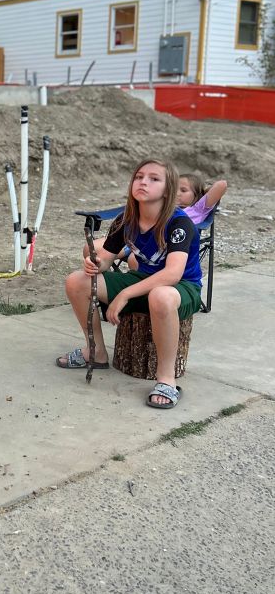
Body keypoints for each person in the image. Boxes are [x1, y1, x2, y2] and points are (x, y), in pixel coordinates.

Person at [58, 158, 203, 410]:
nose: (143, 182)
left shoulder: (179, 223)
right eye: (139, 177)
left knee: (161, 295)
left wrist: (124, 294)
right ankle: (96, 352)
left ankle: (166, 380)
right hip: (143, 280)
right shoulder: (127, 219)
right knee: (77, 281)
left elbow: (172, 275)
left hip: (182, 287)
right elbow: (107, 258)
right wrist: (95, 263)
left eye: (154, 179)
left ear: (168, 190)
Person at [82, 170, 227, 268]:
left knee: (134, 260)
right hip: (134, 242)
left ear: (196, 196)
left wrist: (203, 193)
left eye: (183, 190)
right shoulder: (161, 205)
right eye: (174, 188)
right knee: (90, 248)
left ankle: (136, 297)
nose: (176, 193)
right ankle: (101, 291)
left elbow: (222, 185)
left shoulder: (197, 209)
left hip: (166, 251)